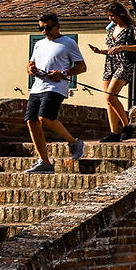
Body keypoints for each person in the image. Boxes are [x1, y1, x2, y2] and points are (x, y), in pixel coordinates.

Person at [26, 10, 87, 173]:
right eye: (41, 29)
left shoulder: (68, 43)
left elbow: (82, 67)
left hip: (56, 87)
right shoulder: (39, 44)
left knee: (45, 118)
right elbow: (29, 64)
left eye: (48, 28)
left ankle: (74, 142)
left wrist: (63, 73)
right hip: (37, 86)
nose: (45, 32)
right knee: (31, 122)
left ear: (57, 26)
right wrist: (31, 69)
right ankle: (44, 162)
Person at [94, 0, 136, 139]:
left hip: (124, 64)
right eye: (109, 16)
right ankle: (114, 133)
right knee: (108, 100)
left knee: (111, 96)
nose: (110, 19)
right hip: (109, 64)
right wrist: (100, 51)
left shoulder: (132, 29)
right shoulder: (111, 30)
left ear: (120, 14)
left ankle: (127, 126)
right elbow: (112, 50)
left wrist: (123, 47)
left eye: (112, 16)